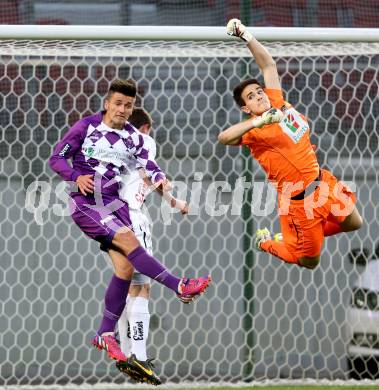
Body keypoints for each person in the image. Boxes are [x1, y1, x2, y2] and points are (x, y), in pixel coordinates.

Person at [49, 79, 211, 376]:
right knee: (130, 244)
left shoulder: (134, 137)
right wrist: (74, 176)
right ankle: (179, 285)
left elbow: (148, 164)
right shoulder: (86, 127)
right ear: (107, 103)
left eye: (129, 105)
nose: (123, 109)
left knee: (124, 269)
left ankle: (106, 334)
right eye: (119, 103)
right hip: (87, 202)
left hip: (115, 205)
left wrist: (162, 180)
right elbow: (56, 157)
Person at [219, 19, 363, 269]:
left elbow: (268, 64)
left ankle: (301, 237)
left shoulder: (276, 100)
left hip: (323, 182)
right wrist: (259, 121)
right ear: (246, 108)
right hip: (299, 202)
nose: (259, 96)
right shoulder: (253, 132)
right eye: (251, 97)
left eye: (258, 91)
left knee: (354, 223)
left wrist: (246, 35)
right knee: (309, 262)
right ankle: (265, 242)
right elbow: (224, 137)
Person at [112, 107, 188, 385]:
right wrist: (174, 199)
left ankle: (128, 353)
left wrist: (173, 202)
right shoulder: (143, 143)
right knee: (142, 287)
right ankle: (138, 358)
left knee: (126, 283)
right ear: (144, 129)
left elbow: (146, 179)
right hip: (132, 217)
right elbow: (153, 176)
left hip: (111, 219)